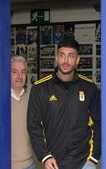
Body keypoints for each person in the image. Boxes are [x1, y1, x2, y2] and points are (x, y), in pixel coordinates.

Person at [27, 38, 101, 169]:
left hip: (84, 163)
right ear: (56, 58)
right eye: (62, 55)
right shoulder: (40, 88)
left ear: (77, 59)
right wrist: (45, 156)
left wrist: (93, 158)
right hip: (53, 163)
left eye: (71, 56)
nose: (65, 61)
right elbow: (34, 126)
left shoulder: (90, 88)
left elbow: (98, 123)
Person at [11, 56, 36, 169]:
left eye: (23, 72)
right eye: (15, 72)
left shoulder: (32, 101)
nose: (20, 76)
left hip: (29, 165)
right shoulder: (1, 102)